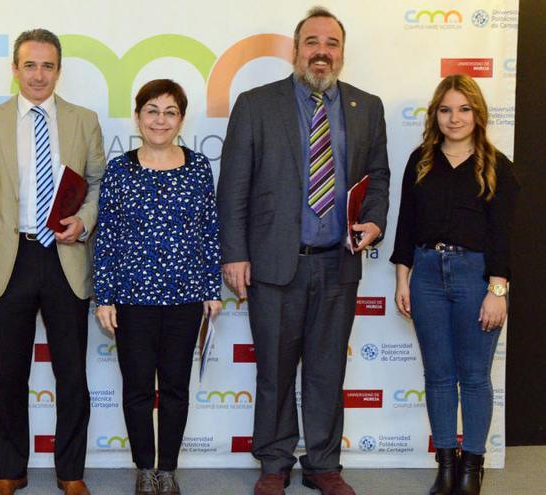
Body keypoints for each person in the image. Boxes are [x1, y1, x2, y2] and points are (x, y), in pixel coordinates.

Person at [217, 7, 390, 495]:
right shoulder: (256, 104)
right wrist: (234, 253)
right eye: (311, 41)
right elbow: (233, 187)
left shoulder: (367, 107)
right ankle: (274, 462)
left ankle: (322, 463)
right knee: (273, 368)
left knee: (327, 368)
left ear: (341, 52)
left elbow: (378, 174)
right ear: (295, 50)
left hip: (338, 263)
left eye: (331, 43)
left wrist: (374, 219)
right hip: (274, 263)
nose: (321, 51)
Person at [0, 28, 105, 495]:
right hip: (14, 255)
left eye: (48, 65)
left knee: (72, 372)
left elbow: (97, 183)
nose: (38, 74)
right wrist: (12, 219)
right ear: (14, 69)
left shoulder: (83, 120)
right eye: (29, 65)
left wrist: (82, 221)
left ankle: (71, 473)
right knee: (10, 370)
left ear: (59, 70)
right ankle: (10, 469)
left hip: (67, 253)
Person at [391, 75, 519, 495]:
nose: (455, 118)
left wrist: (497, 291)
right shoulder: (420, 161)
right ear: (436, 115)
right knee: (439, 376)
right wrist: (402, 279)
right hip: (426, 274)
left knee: (475, 376)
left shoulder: (499, 166)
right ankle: (446, 465)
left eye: (464, 109)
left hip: (476, 277)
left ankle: (472, 468)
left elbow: (504, 236)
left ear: (478, 114)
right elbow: (406, 224)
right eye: (446, 109)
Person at [93, 79, 222, 495]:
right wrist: (105, 297)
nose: (160, 120)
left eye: (170, 111)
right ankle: (144, 468)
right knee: (136, 388)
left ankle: (168, 468)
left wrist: (212, 289)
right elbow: (107, 235)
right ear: (138, 116)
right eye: (152, 110)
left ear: (181, 119)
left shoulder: (199, 166)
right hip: (132, 299)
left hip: (185, 298)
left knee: (174, 387)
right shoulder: (119, 169)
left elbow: (209, 232)